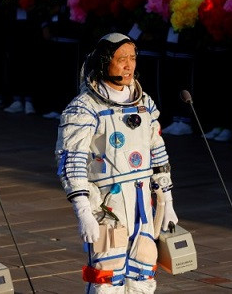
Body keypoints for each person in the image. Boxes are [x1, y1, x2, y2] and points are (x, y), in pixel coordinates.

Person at [55, 33, 178, 293]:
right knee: (107, 275)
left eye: (132, 58)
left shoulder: (143, 104)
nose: (129, 65)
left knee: (143, 271)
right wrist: (83, 211)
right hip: (107, 205)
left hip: (143, 202)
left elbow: (157, 151)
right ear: (103, 62)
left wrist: (167, 200)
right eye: (121, 59)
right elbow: (71, 161)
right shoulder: (85, 108)